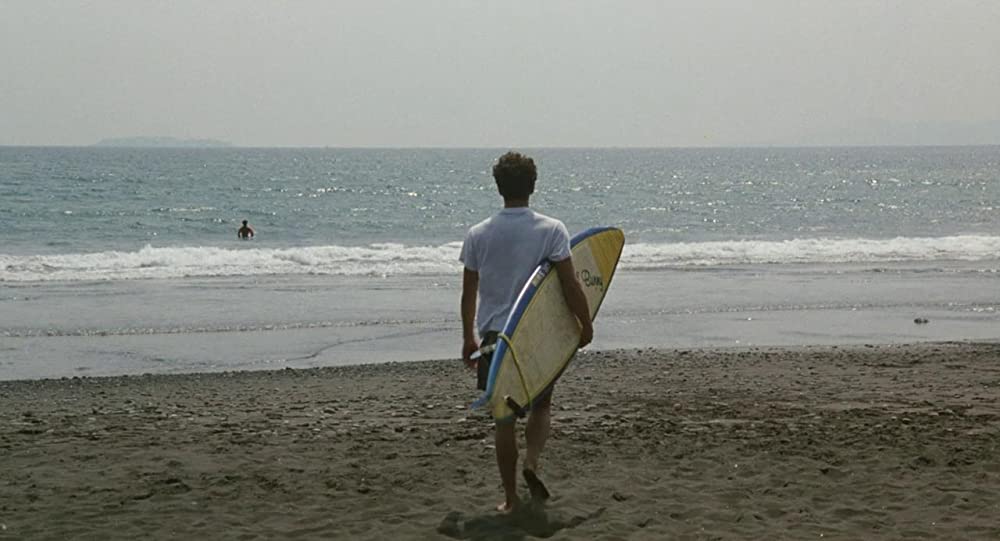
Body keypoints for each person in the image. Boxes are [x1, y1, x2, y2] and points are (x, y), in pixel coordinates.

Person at [460, 151, 593, 512]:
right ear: (532, 186)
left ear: (498, 186)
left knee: (503, 421)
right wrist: (585, 323)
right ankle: (532, 463)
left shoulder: (477, 234)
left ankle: (510, 499)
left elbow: (468, 293)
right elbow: (569, 285)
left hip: (495, 340)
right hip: (536, 335)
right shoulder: (551, 230)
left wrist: (467, 338)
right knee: (542, 404)